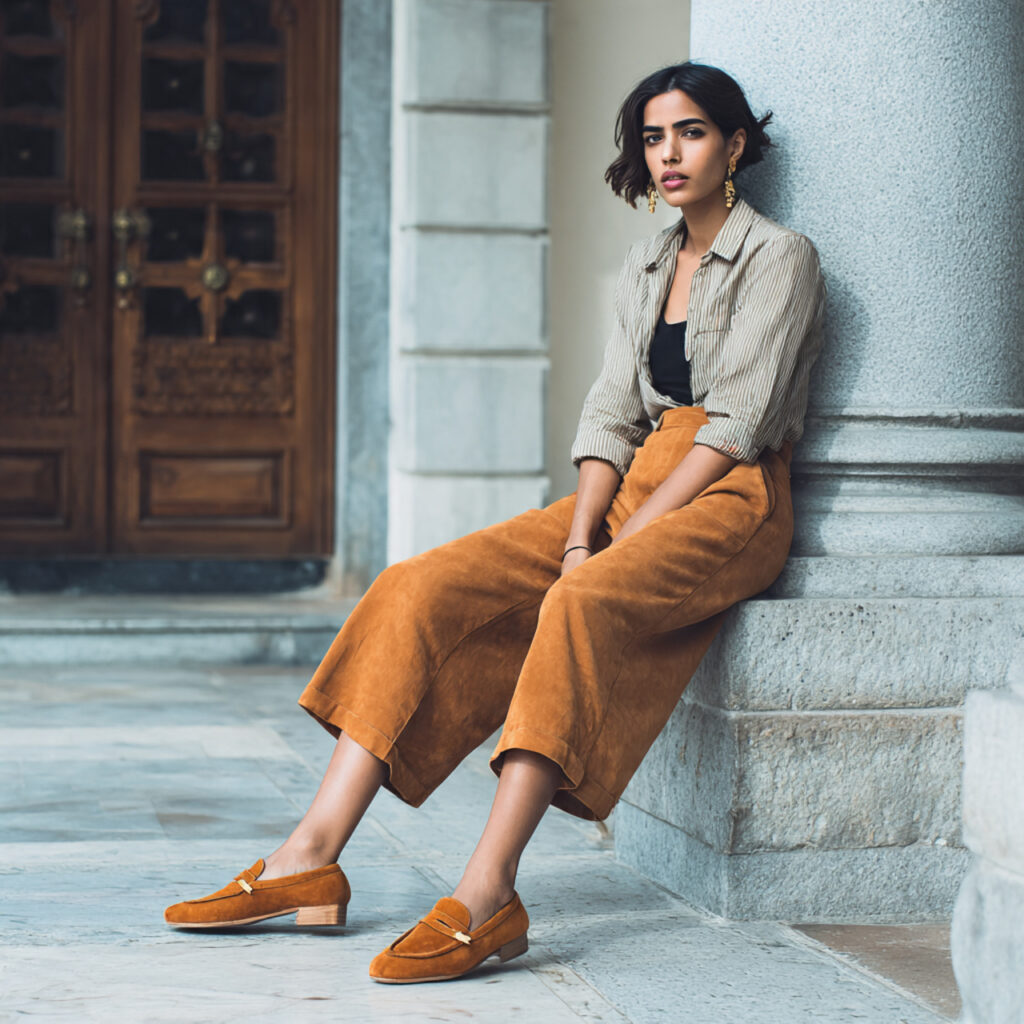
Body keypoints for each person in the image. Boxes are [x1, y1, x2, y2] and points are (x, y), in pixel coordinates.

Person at [163, 60, 826, 985]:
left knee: (579, 603)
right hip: (638, 480)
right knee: (420, 586)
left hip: (733, 495)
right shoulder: (647, 261)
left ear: (735, 144)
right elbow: (608, 413)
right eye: (652, 137)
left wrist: (617, 549)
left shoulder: (780, 257)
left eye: (691, 133)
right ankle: (308, 858)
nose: (669, 155)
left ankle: (488, 892)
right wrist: (582, 530)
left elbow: (739, 423)